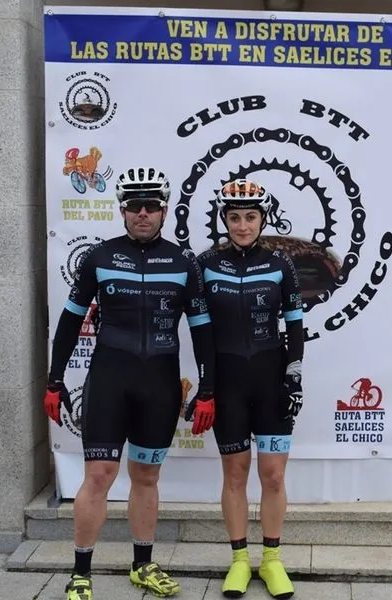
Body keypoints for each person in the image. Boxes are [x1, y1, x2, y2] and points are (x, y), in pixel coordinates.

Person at [44, 167, 217, 600]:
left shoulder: (183, 263)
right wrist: (54, 380)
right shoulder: (99, 257)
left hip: (159, 385)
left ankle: (143, 565)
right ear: (122, 209)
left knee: (146, 476)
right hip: (109, 381)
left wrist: (207, 389)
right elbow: (69, 322)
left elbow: (202, 331)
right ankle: (80, 573)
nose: (143, 213)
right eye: (135, 206)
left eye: (151, 206)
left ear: (164, 210)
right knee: (99, 476)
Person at [188, 178, 304, 599]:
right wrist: (206, 387)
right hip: (228, 384)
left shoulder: (280, 262)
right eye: (234, 217)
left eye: (250, 217)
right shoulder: (205, 264)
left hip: (270, 382)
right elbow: (200, 332)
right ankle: (239, 560)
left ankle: (271, 560)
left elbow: (295, 326)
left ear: (263, 219)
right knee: (234, 474)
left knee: (273, 475)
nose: (242, 226)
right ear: (224, 220)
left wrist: (293, 377)